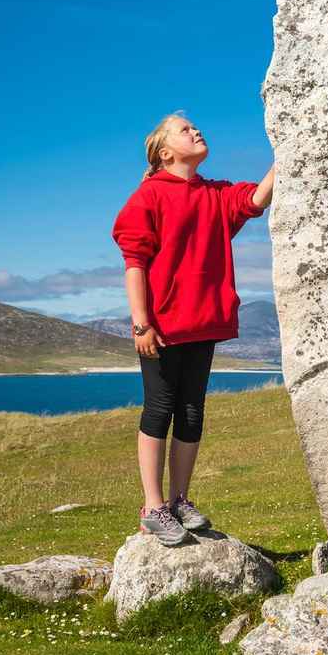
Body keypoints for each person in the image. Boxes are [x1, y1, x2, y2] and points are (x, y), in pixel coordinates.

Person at [111, 112, 274, 546]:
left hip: (203, 324)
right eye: (185, 129)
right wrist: (141, 323)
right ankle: (152, 506)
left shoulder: (215, 193)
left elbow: (255, 200)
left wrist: (287, 154)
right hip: (160, 327)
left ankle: (181, 500)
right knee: (159, 409)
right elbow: (135, 265)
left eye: (196, 126)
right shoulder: (148, 197)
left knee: (191, 412)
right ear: (165, 152)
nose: (196, 130)